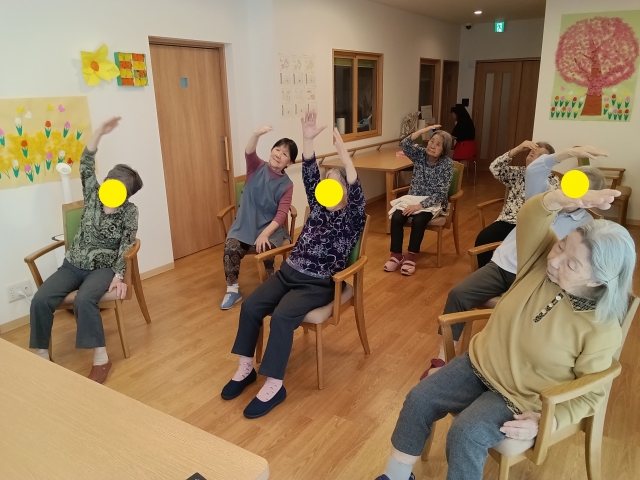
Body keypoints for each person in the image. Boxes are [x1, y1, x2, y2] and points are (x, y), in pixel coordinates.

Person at [376, 184, 634, 480]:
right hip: (479, 363)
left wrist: (547, 420)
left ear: (598, 281)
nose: (554, 260)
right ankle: (395, 476)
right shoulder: (538, 263)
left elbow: (591, 392)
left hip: (521, 396)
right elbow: (530, 216)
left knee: (466, 433)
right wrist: (559, 198)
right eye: (561, 246)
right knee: (419, 399)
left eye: (571, 264)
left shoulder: (601, 327)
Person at [221, 111, 366, 418]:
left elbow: (355, 188)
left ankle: (275, 385)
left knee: (283, 316)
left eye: (335, 183)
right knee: (251, 306)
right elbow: (311, 173)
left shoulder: (351, 218)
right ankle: (246, 368)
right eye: (326, 183)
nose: (327, 187)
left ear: (345, 191)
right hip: (289, 272)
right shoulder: (318, 206)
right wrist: (308, 139)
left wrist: (344, 157)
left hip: (318, 282)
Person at [424, 146, 608, 373]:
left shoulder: (586, 226)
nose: (568, 192)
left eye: (579, 190)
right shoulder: (542, 199)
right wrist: (567, 153)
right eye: (567, 185)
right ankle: (444, 357)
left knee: (528, 316)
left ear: (589, 199)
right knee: (458, 294)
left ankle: (503, 363)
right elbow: (535, 170)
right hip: (501, 266)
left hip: (535, 276)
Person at [30, 117, 143, 384]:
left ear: (126, 194)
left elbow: (127, 243)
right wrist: (99, 133)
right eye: (109, 183)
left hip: (103, 268)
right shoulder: (93, 194)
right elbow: (86, 162)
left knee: (84, 300)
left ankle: (101, 359)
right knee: (41, 299)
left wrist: (118, 275)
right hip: (73, 265)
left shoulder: (130, 212)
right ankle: (41, 355)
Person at [221, 127, 297, 310]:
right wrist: (256, 134)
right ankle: (232, 290)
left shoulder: (287, 185)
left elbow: (281, 214)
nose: (279, 154)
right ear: (271, 150)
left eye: (285, 153)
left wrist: (265, 234)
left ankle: (270, 285)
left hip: (270, 228)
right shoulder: (256, 167)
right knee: (230, 247)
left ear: (289, 162)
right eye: (277, 149)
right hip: (245, 225)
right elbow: (249, 151)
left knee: (265, 247)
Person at [475, 140, 557, 269]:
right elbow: (495, 167)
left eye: (540, 156)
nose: (533, 155)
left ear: (547, 163)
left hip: (531, 226)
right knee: (483, 238)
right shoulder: (518, 173)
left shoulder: (553, 181)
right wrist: (518, 149)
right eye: (531, 153)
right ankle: (487, 273)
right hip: (508, 221)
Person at [384, 125, 453, 275]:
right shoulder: (420, 154)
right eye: (431, 141)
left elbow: (441, 193)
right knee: (396, 217)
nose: (432, 146)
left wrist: (419, 206)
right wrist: (423, 131)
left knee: (419, 220)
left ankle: (411, 257)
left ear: (444, 150)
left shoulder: (447, 164)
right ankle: (396, 256)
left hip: (432, 202)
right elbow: (404, 144)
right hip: (412, 199)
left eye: (438, 144)